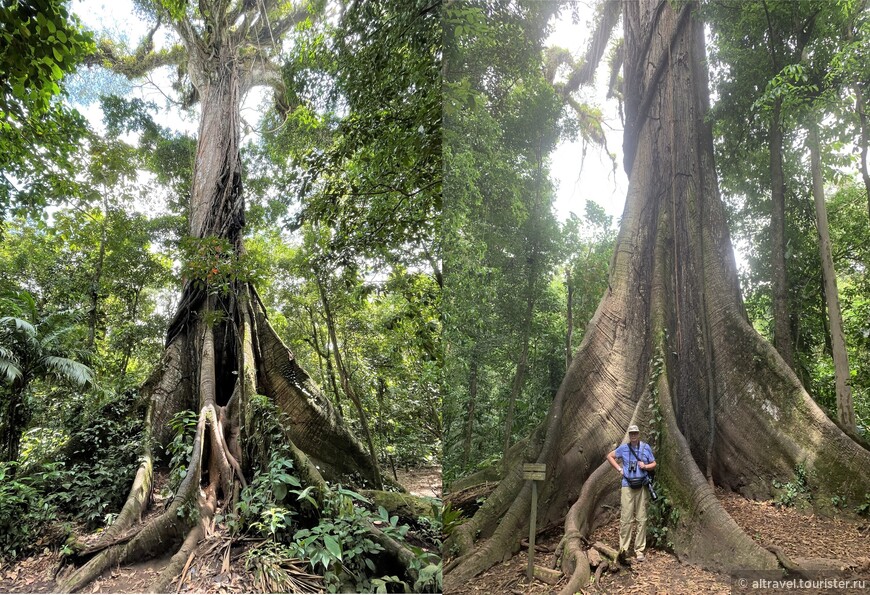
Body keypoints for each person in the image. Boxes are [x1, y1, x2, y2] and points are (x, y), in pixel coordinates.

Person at [606, 424, 656, 562]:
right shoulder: (624, 448)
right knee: (626, 519)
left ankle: (639, 550)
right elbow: (609, 456)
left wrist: (645, 466)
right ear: (629, 435)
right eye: (631, 433)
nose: (633, 435)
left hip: (641, 487)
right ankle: (624, 550)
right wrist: (619, 469)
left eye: (635, 433)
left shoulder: (645, 448)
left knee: (641, 519)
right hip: (627, 486)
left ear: (639, 434)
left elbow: (654, 463)